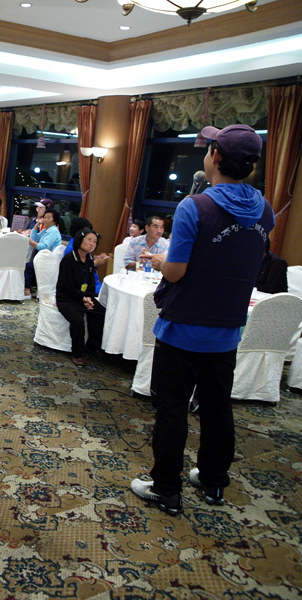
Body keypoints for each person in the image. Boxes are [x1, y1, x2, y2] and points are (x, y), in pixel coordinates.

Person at [130, 124, 274, 515]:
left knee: (172, 408)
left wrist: (161, 261)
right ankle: (212, 481)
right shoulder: (264, 209)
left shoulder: (195, 206)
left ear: (215, 156)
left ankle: (166, 488)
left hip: (184, 327)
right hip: (228, 329)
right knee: (217, 407)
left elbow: (176, 272)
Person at [56, 228, 105, 367]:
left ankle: (93, 346)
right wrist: (82, 298)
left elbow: (90, 282)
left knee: (101, 313)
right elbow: (66, 285)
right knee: (77, 320)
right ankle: (77, 353)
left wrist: (89, 297)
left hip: (83, 297)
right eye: (89, 240)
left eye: (95, 241)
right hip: (67, 298)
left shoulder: (89, 259)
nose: (92, 244)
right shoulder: (69, 259)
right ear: (80, 240)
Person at [23, 208, 62, 299]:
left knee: (27, 267)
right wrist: (37, 224)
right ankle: (33, 288)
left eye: (49, 218)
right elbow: (34, 237)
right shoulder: (46, 230)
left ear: (55, 220)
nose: (45, 220)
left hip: (49, 260)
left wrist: (31, 242)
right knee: (30, 264)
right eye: (45, 217)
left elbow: (44, 247)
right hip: (43, 258)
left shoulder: (53, 231)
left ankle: (27, 291)